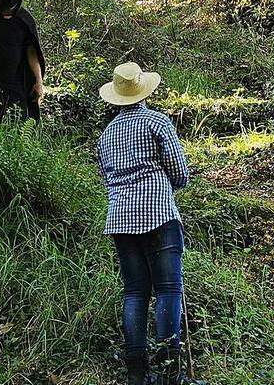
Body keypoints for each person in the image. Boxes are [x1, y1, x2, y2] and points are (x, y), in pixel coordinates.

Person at [97, 63, 192, 385]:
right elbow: (180, 173)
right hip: (159, 215)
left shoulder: (107, 134)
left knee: (135, 293)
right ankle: (169, 374)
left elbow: (106, 179)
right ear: (144, 91)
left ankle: (138, 374)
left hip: (120, 218)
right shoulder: (157, 122)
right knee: (168, 290)